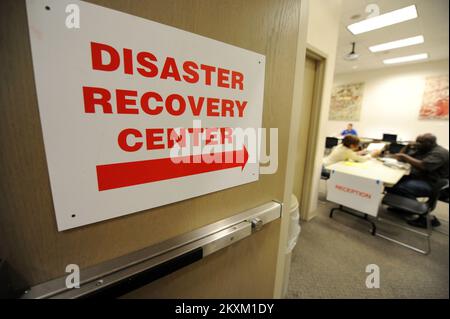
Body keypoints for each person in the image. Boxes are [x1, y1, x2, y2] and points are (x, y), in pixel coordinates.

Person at [387, 133, 449, 228]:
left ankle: (426, 217)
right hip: (421, 177)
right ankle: (402, 207)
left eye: (420, 142)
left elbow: (424, 166)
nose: (417, 144)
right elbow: (400, 157)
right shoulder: (424, 149)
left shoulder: (439, 153)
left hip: (433, 184)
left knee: (402, 187)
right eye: (417, 141)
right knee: (392, 183)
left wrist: (405, 157)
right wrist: (407, 147)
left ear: (429, 143)